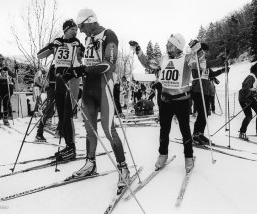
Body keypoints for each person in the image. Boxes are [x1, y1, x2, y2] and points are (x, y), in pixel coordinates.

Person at [63, 8, 130, 189]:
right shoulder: (88, 38)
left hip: (103, 87)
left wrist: (83, 69)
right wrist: (72, 68)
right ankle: (90, 163)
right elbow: (87, 63)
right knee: (90, 130)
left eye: (82, 26)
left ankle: (123, 168)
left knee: (109, 131)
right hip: (89, 90)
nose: (81, 30)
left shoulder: (109, 35)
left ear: (91, 21)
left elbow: (109, 64)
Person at [129, 33, 195, 173]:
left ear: (177, 46)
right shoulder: (163, 58)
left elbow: (200, 66)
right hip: (165, 100)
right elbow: (147, 63)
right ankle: (163, 155)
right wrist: (138, 50)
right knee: (164, 130)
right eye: (167, 43)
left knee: (185, 130)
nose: (166, 46)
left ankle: (189, 157)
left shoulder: (186, 58)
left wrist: (199, 51)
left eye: (170, 44)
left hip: (182, 100)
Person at [36, 19, 84, 160]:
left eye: (76, 29)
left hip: (72, 80)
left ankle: (72, 147)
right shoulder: (58, 42)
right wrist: (51, 45)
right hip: (59, 81)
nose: (75, 31)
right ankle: (68, 146)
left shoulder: (77, 44)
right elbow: (39, 55)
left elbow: (86, 58)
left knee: (68, 114)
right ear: (65, 30)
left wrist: (81, 48)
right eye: (72, 29)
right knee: (62, 115)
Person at [189, 41, 227, 145]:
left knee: (205, 114)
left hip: (205, 91)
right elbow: (208, 64)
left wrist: (222, 70)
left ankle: (200, 133)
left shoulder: (203, 63)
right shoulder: (195, 60)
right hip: (197, 89)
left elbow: (211, 74)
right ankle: (196, 135)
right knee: (202, 113)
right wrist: (220, 59)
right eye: (205, 51)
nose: (206, 53)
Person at [0, 54, 16, 126]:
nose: (1, 60)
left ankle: (5, 118)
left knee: (6, 103)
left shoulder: (6, 68)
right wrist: (0, 70)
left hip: (5, 86)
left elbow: (13, 75)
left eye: (2, 59)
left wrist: (16, 69)